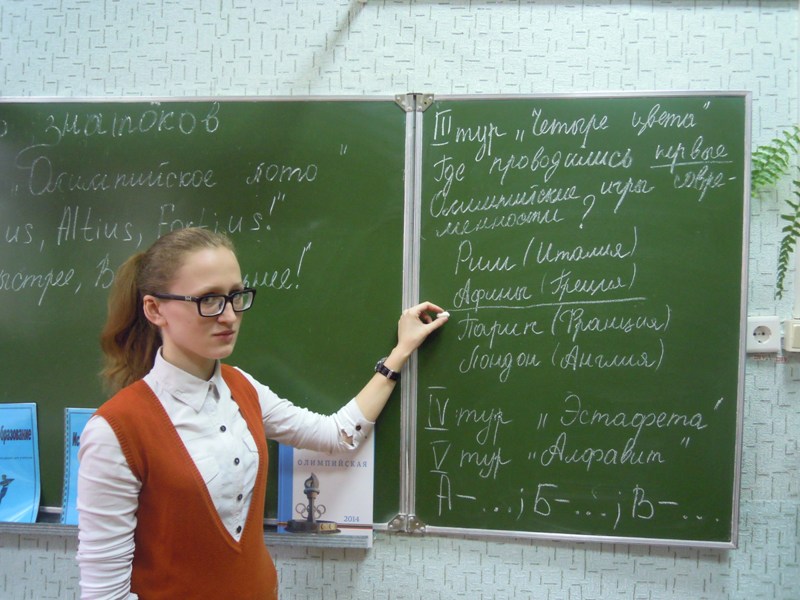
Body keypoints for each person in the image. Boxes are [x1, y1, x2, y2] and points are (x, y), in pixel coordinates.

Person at [76, 227, 447, 600]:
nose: (229, 316)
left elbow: (338, 435)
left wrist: (400, 352)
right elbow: (104, 594)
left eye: (235, 296)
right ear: (155, 309)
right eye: (209, 300)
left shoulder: (242, 389)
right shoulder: (116, 430)